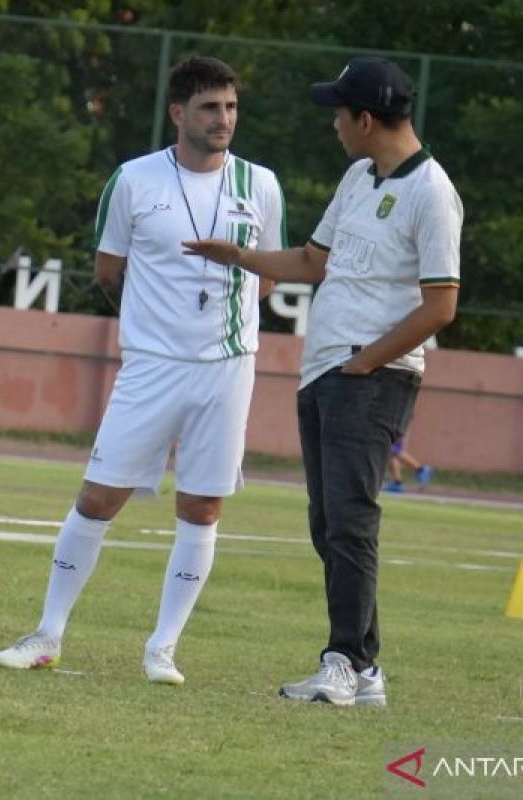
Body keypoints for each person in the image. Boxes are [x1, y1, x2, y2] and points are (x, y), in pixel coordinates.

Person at [0, 56, 286, 685]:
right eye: (210, 108)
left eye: (231, 107)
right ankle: (47, 634)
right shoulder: (133, 180)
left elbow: (267, 274)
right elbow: (108, 271)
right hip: (150, 366)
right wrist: (156, 322)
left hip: (227, 368)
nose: (224, 119)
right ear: (179, 113)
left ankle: (162, 650)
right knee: (98, 497)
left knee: (203, 507)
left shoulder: (260, 184)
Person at [184, 56, 462, 706]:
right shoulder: (360, 176)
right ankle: (364, 672)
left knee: (351, 519)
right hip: (327, 373)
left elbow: (441, 303)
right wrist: (241, 256)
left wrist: (367, 361)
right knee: (328, 523)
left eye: (339, 113)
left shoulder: (431, 192)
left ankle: (341, 662)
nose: (334, 124)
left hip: (371, 377)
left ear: (365, 119)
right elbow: (313, 261)